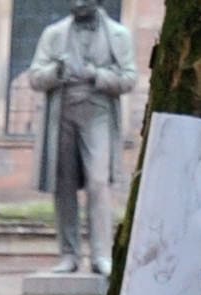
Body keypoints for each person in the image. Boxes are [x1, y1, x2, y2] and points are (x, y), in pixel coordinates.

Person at [28, 0, 138, 276]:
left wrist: (97, 75)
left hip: (98, 113)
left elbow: (129, 78)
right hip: (63, 113)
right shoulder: (54, 33)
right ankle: (69, 255)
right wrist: (56, 72)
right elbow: (35, 77)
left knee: (98, 183)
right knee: (63, 185)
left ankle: (101, 255)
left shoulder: (118, 34)